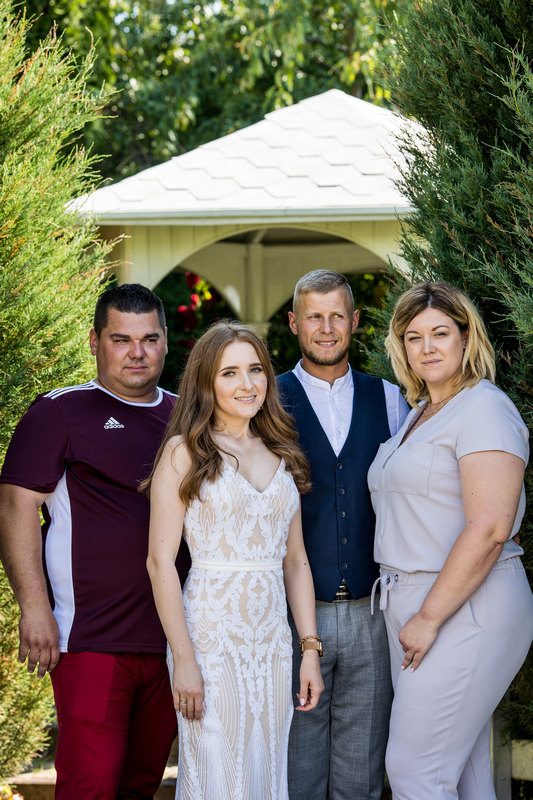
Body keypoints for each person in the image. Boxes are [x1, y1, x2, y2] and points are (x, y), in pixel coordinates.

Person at [0, 283, 190, 800]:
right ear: (94, 341)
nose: (137, 352)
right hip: (91, 639)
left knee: (141, 785)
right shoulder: (60, 412)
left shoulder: (186, 417)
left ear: (165, 341)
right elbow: (16, 506)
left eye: (149, 339)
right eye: (121, 339)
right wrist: (34, 608)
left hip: (173, 641)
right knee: (90, 786)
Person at [368, 281, 533, 800]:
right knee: (462, 773)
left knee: (415, 770)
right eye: (414, 337)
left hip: (465, 602)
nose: (427, 347)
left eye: (440, 333)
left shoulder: (484, 408)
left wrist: (429, 616)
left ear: (466, 337)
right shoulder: (419, 412)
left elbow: (490, 528)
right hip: (411, 600)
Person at [145, 321, 324, 800]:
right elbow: (160, 563)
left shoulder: (282, 451)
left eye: (255, 370)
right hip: (209, 640)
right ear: (206, 382)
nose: (247, 384)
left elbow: (295, 562)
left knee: (267, 769)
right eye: (230, 373)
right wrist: (184, 659)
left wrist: (309, 650)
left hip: (271, 643)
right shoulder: (184, 452)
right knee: (216, 772)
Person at [277, 270, 409, 800]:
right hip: (291, 615)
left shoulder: (392, 400)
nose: (326, 328)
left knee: (362, 773)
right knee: (298, 771)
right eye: (314, 316)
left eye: (337, 316)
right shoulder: (267, 399)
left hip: (372, 612)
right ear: (294, 323)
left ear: (354, 322)